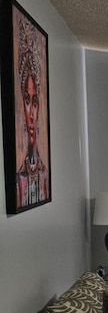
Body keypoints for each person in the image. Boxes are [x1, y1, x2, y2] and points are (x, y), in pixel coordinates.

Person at [15, 18, 48, 208]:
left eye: (35, 101)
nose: (32, 113)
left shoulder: (43, 172)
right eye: (27, 100)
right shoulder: (20, 176)